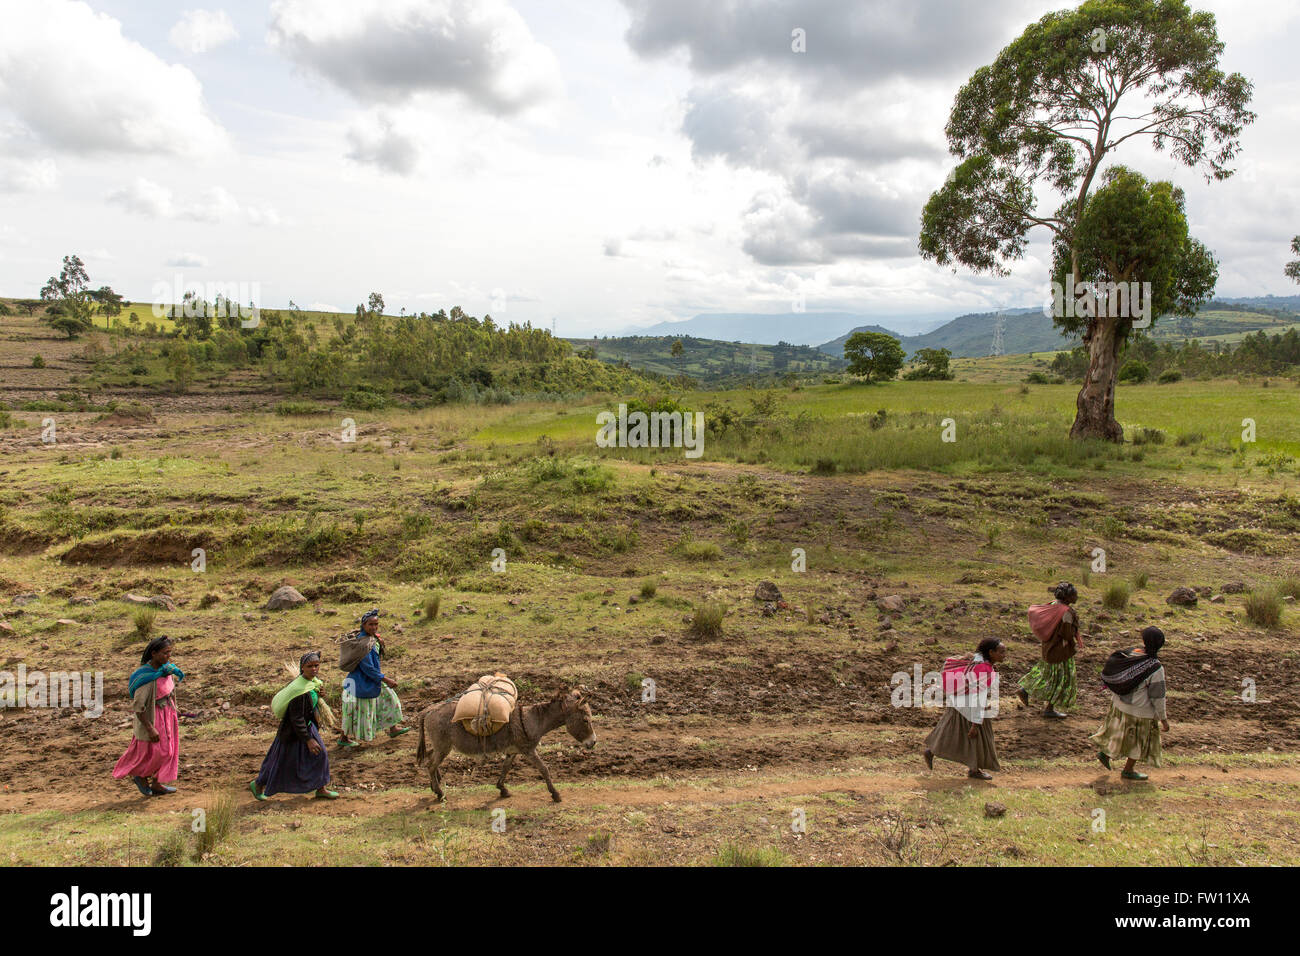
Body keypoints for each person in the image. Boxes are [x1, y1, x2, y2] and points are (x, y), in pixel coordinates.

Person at [251, 651, 337, 800]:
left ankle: (321, 788)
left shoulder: (312, 683)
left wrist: (320, 694)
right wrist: (308, 740)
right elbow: (296, 718)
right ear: (302, 667)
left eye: (317, 665)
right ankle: (258, 784)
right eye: (310, 666)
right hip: (293, 731)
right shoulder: (298, 691)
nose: (314, 669)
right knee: (279, 760)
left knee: (320, 754)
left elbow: (311, 702)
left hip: (307, 727)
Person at [1090, 626, 1169, 781]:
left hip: (1119, 704)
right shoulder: (1155, 667)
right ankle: (1128, 770)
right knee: (1138, 742)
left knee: (1119, 732)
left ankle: (1105, 754)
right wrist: (1163, 719)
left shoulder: (1132, 652)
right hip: (1140, 711)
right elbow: (1158, 696)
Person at [924, 637, 1007, 780]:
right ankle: (974, 770)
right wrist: (975, 724)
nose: (1004, 655)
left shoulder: (976, 660)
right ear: (991, 652)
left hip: (957, 700)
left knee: (949, 729)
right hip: (969, 705)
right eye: (1001, 652)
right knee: (977, 736)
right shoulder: (984, 670)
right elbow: (978, 698)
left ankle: (931, 751)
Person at [112, 636, 184, 797]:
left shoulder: (167, 670)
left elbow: (171, 691)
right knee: (160, 752)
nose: (168, 657)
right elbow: (138, 706)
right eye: (165, 653)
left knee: (170, 751)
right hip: (154, 717)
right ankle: (141, 776)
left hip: (168, 715)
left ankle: (157, 783)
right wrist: (150, 728)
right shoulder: (145, 677)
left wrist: (175, 708)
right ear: (154, 653)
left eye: (170, 653)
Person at [338, 609, 408, 746]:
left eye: (376, 624)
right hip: (358, 682)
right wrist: (386, 679)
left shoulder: (371, 639)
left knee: (389, 699)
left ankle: (393, 728)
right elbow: (368, 668)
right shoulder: (364, 644)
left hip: (370, 679)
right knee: (352, 711)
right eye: (371, 624)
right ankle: (343, 738)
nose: (374, 627)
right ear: (363, 625)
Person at [1017, 582, 1083, 719]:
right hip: (1060, 651)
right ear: (1068, 597)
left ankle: (1025, 690)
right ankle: (1049, 709)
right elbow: (1067, 635)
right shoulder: (1066, 612)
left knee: (1046, 673)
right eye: (1074, 595)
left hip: (1049, 647)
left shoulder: (1052, 605)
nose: (1077, 597)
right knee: (1060, 679)